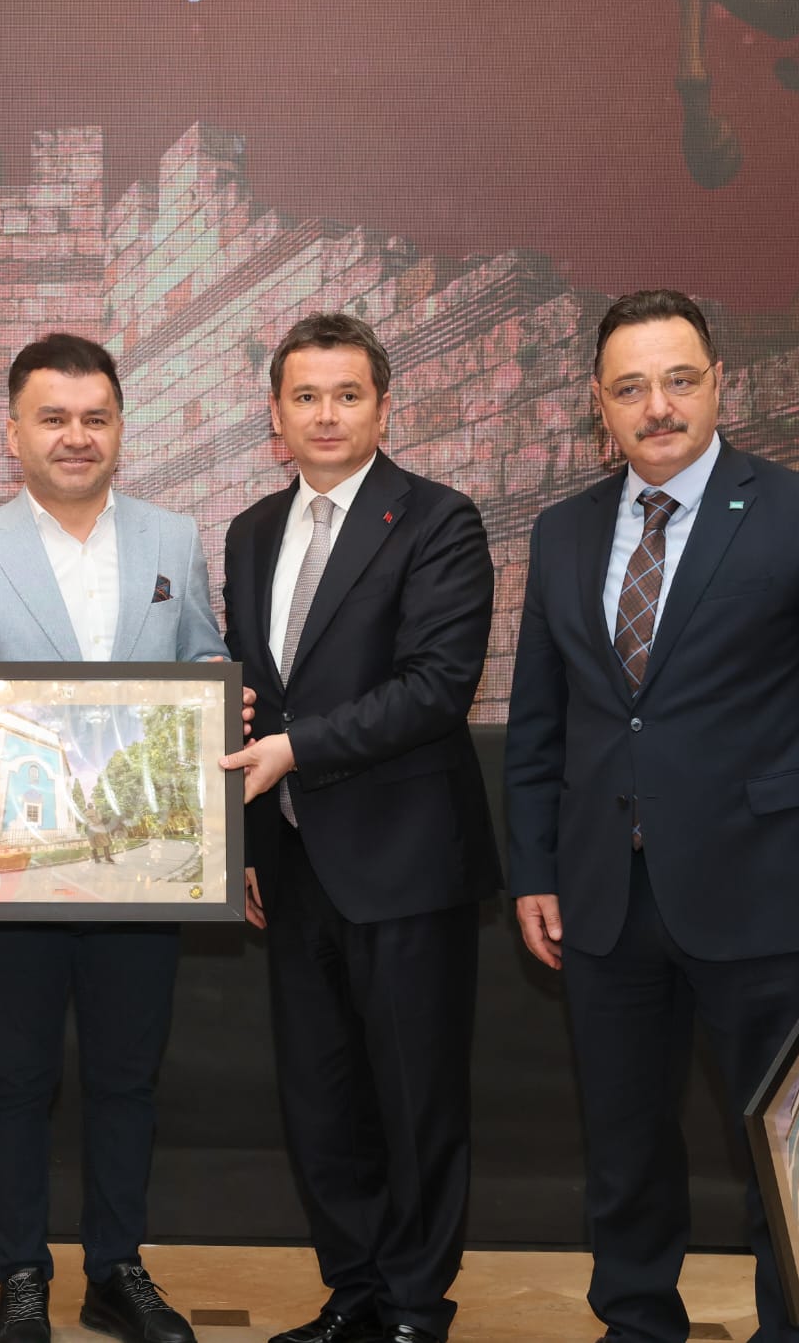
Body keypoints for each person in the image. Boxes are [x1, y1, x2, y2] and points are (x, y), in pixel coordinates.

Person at [504, 288, 799, 1343]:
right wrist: (533, 869)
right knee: (625, 1150)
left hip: (769, 894)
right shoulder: (561, 532)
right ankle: (636, 1323)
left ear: (719, 383)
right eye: (631, 387)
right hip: (606, 899)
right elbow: (539, 723)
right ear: (599, 404)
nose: (658, 406)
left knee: (792, 1151)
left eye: (679, 380)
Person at [0, 334, 227, 1343]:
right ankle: (21, 1274)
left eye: (95, 417)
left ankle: (116, 1270)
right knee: (15, 1080)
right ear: (12, 433)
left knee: (126, 1078)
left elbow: (203, 657)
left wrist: (218, 693)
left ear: (120, 428)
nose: (75, 436)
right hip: (18, 869)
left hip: (146, 863)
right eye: (52, 418)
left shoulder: (173, 538)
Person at [217, 313, 500, 1343]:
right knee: (321, 1099)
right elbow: (257, 691)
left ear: (384, 407)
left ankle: (416, 1307)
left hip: (404, 858)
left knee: (414, 1099)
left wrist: (294, 752)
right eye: (305, 396)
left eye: (347, 395)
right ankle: (355, 1293)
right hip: (292, 862)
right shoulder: (251, 530)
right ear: (275, 415)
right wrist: (252, 841)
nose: (326, 414)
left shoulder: (438, 520)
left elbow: (434, 687)